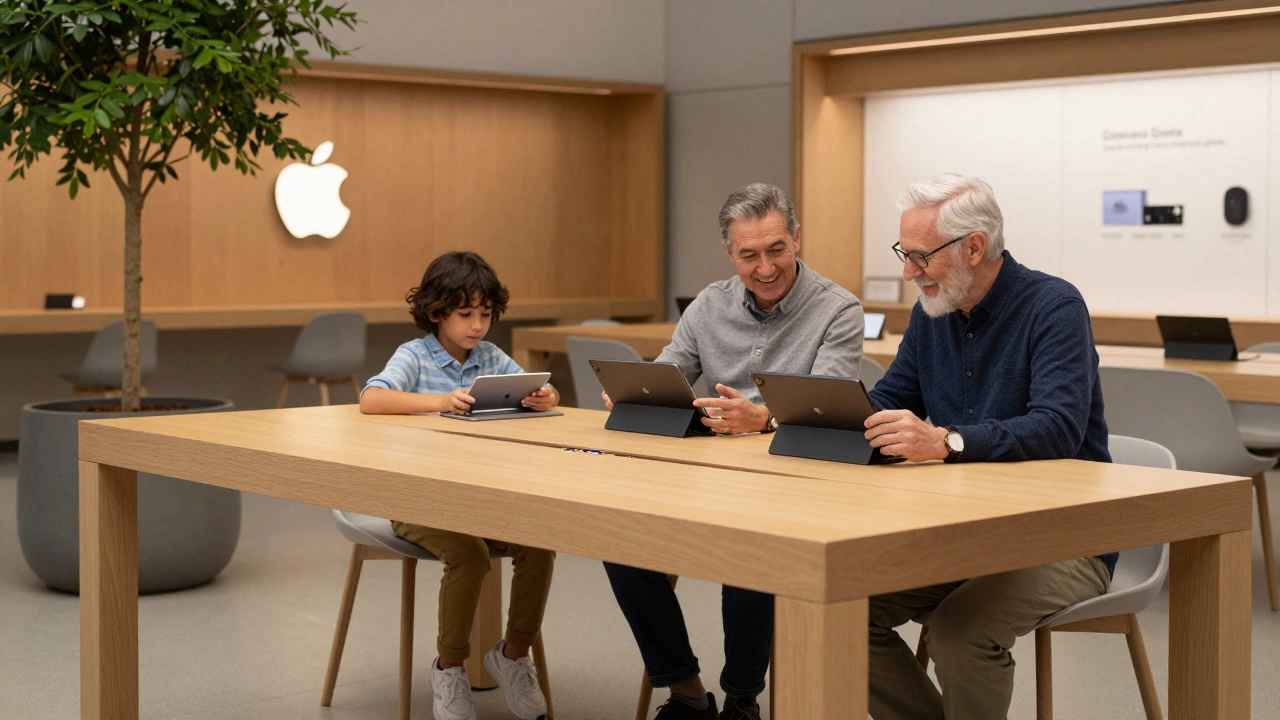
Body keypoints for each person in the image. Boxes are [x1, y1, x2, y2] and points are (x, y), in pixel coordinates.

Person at [603, 183, 865, 719]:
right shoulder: (709, 304)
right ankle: (687, 690)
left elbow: (830, 409)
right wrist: (639, 388)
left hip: (789, 481)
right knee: (618, 536)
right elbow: (671, 367)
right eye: (749, 255)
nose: (765, 267)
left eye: (776, 250)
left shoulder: (838, 309)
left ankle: (742, 699)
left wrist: (765, 418)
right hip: (708, 473)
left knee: (751, 549)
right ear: (730, 252)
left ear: (797, 238)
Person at [862, 174, 1114, 720]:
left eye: (920, 256)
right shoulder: (933, 312)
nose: (909, 272)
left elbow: (1057, 428)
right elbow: (885, 401)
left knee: (958, 633)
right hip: (969, 531)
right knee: (836, 606)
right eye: (904, 254)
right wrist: (797, 416)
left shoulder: (1054, 306)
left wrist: (945, 441)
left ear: (973, 247)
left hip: (1065, 535)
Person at [360, 250, 557, 720]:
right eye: (465, 314)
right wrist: (437, 402)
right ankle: (449, 668)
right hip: (417, 500)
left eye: (485, 314)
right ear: (436, 313)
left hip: (482, 497)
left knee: (542, 543)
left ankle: (512, 656)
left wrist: (545, 396)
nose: (477, 326)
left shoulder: (489, 356)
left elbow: (539, 390)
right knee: (468, 556)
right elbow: (370, 399)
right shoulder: (414, 355)